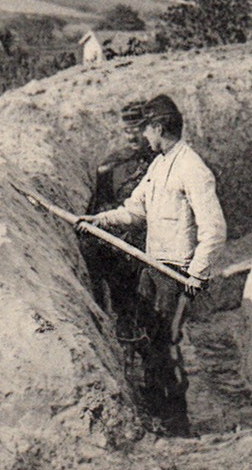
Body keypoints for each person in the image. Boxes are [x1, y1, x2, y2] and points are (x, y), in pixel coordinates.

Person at [79, 95, 226, 437]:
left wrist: (196, 274)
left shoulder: (192, 169)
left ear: (160, 128)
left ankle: (178, 423)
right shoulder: (160, 166)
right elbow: (134, 210)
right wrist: (98, 220)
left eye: (146, 129)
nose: (143, 136)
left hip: (175, 274)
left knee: (168, 346)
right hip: (152, 268)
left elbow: (214, 230)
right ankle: (157, 409)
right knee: (149, 343)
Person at [81, 100, 158, 393]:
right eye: (127, 131)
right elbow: (98, 213)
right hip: (124, 254)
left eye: (137, 130)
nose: (131, 137)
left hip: (157, 251)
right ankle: (133, 379)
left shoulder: (166, 163)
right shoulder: (111, 167)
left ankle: (158, 387)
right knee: (127, 313)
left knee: (158, 324)